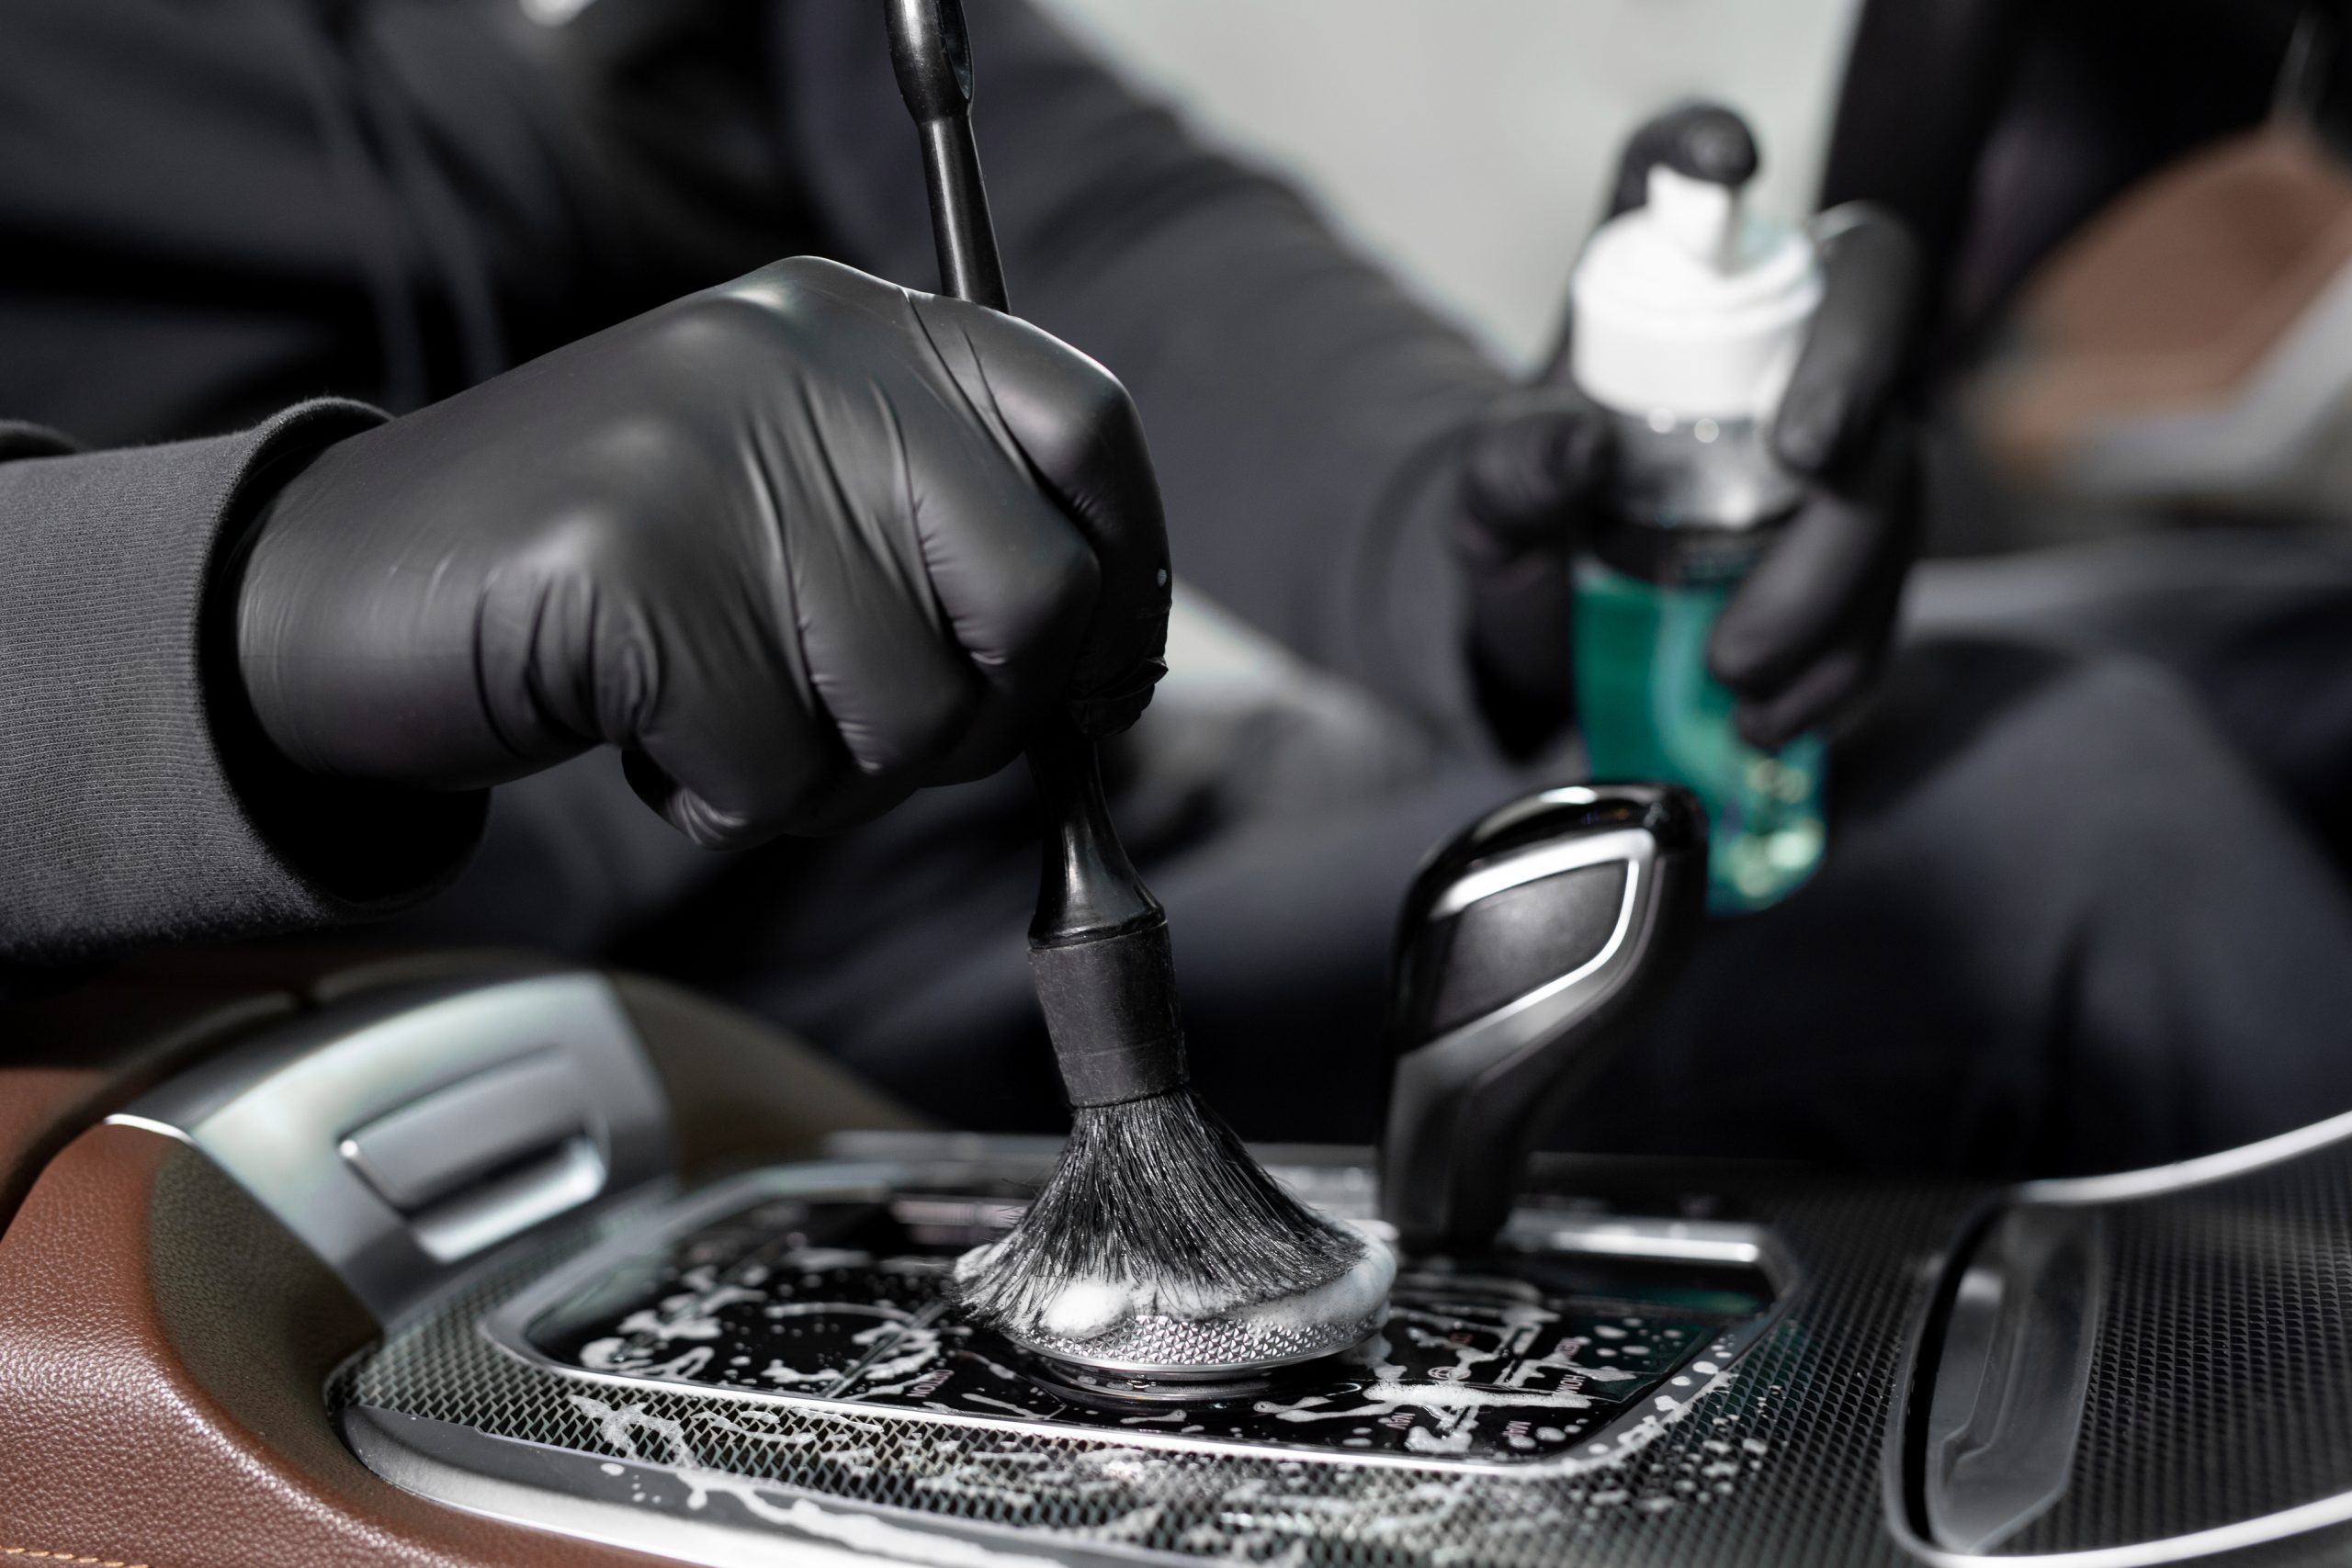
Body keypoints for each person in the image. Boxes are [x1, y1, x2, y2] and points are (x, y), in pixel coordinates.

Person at [4, 0, 2348, 1179]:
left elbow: (1038, 188)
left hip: (1054, 830)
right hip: (530, 1049)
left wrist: (1465, 525)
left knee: (2277, 664)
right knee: (2078, 821)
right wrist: (241, 603)